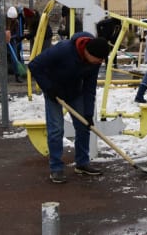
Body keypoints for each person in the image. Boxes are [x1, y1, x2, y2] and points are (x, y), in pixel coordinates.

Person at [28, 32, 110, 183]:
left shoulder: (95, 62)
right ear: (88, 52)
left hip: (75, 92)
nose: (100, 62)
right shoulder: (63, 50)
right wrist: (48, 88)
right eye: (99, 59)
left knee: (84, 125)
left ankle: (82, 163)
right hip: (54, 91)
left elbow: (89, 89)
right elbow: (34, 65)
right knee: (56, 129)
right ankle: (56, 169)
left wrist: (88, 113)